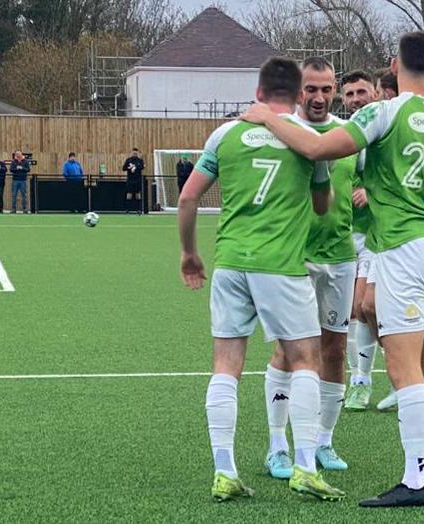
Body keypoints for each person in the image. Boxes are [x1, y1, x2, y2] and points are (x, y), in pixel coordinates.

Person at [240, 31, 424, 508]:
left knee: (404, 367)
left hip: (403, 250)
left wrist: (266, 117)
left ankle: (415, 480)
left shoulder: (384, 111)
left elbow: (320, 149)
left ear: (393, 64)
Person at [176, 56, 344, 503]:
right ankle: (306, 466)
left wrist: (190, 253)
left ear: (258, 91)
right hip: (281, 267)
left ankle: (225, 471)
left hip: (231, 263)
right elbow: (323, 206)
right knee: (306, 359)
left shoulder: (225, 135)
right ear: (299, 93)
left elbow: (189, 196)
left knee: (226, 367)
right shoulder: (309, 138)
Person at [270, 56, 357, 475]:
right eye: (311, 88)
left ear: (335, 89)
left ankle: (324, 441)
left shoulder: (349, 135)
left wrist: (370, 197)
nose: (319, 97)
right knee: (288, 352)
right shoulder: (284, 131)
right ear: (298, 89)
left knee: (335, 350)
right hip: (294, 257)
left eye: (326, 89)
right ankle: (277, 446)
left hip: (340, 256)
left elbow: (375, 181)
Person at [338, 69, 381, 412]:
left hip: (377, 236)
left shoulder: (385, 133)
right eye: (349, 94)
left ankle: (362, 379)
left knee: (363, 307)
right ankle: (360, 378)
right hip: (341, 234)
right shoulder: (342, 136)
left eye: (361, 92)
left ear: (375, 94)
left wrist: (372, 189)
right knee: (347, 313)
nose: (356, 99)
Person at [122, 148, 145, 213]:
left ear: (137, 153)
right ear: (131, 153)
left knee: (138, 194)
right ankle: (127, 209)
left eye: (136, 153)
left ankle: (139, 209)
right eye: (133, 153)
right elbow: (123, 168)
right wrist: (129, 168)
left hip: (137, 180)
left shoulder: (140, 160)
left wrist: (136, 168)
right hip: (130, 180)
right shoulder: (128, 160)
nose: (134, 154)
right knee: (129, 194)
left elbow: (142, 167)